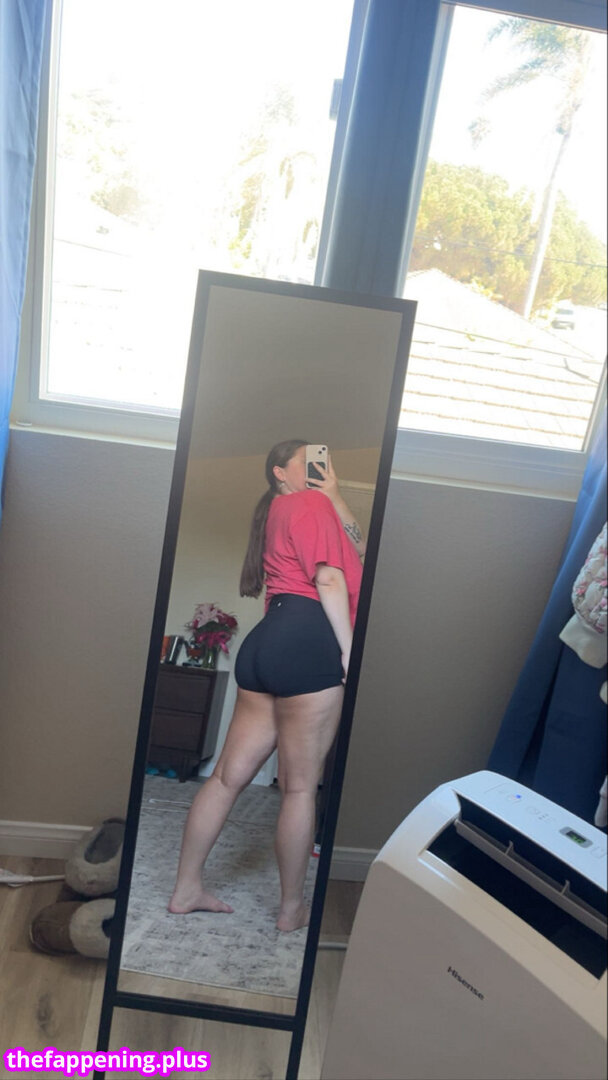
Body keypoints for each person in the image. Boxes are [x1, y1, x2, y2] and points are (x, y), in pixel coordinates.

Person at [168, 439, 365, 931]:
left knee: (224, 778)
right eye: (307, 461)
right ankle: (291, 910)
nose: (319, 468)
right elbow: (329, 578)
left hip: (266, 640)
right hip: (309, 640)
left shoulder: (280, 511)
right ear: (280, 471)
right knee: (299, 789)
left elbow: (359, 548)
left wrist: (336, 494)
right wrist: (348, 650)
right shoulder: (309, 503)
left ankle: (186, 889)